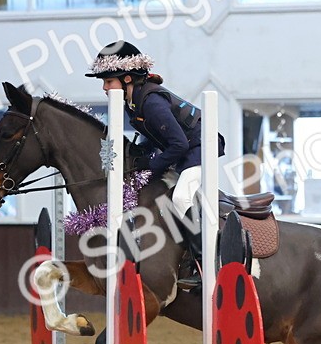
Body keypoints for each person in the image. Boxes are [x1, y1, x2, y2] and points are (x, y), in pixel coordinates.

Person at [84, 41, 224, 219]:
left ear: (127, 78)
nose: (104, 88)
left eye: (109, 81)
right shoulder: (132, 102)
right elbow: (154, 136)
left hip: (201, 148)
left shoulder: (151, 103)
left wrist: (151, 165)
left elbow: (179, 144)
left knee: (180, 198)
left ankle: (201, 246)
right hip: (184, 150)